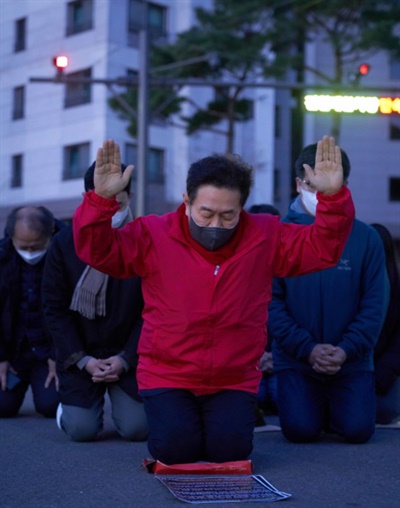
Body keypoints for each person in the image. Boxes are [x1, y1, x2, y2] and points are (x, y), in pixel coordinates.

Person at [72, 135, 355, 464]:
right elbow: (98, 252)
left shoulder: (266, 235)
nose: (216, 224)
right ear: (186, 201)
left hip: (233, 376)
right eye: (205, 213)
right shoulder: (153, 233)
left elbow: (322, 249)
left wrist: (332, 197)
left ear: (242, 208)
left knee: (230, 452)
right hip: (168, 373)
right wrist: (100, 201)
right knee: (175, 452)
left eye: (228, 215)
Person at [268, 143, 388, 445]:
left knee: (358, 430)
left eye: (330, 184)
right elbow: (269, 303)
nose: (320, 192)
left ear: (344, 185)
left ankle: (334, 407)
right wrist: (307, 349)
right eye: (312, 184)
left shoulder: (366, 237)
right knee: (299, 430)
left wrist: (346, 349)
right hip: (296, 359)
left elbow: (375, 304)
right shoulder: (277, 234)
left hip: (352, 360)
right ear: (299, 184)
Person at [42, 162, 148, 442]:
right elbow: (54, 308)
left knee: (138, 429)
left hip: (128, 352)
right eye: (104, 200)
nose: (111, 210)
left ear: (131, 198)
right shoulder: (64, 242)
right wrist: (82, 359)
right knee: (81, 430)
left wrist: (126, 359)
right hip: (81, 351)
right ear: (87, 197)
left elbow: (153, 309)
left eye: (118, 201)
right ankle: (72, 408)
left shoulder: (144, 239)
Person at [0, 206, 61, 418]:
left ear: (50, 235)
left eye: (36, 247)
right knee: (2, 407)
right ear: (11, 236)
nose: (30, 252)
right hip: (13, 351)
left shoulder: (64, 255)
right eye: (23, 246)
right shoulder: (2, 258)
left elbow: (69, 313)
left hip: (46, 352)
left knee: (50, 406)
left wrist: (58, 355)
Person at [248, 204, 281, 424]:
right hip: (251, 360)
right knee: (258, 394)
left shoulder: (289, 267)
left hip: (283, 357)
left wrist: (275, 355)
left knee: (278, 395)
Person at [370, 223, 400, 425]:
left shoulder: (397, 289)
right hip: (354, 369)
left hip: (385, 373)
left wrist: (383, 372)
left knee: (384, 411)